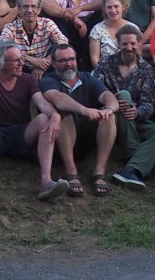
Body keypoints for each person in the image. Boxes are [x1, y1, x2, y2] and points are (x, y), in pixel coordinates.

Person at [0, 41, 70, 201]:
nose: (21, 63)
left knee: (45, 118)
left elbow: (41, 102)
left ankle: (46, 181)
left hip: (22, 134)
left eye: (21, 59)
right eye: (16, 60)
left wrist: (55, 116)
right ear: (1, 62)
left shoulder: (28, 79)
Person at [92, 25, 155, 190]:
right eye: (124, 44)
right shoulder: (105, 63)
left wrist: (137, 112)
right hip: (109, 118)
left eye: (133, 43)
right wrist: (111, 102)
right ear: (118, 44)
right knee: (124, 95)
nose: (129, 47)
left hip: (134, 121)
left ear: (139, 43)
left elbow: (148, 103)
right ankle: (134, 153)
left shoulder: (146, 69)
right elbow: (94, 90)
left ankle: (131, 168)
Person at [41, 45, 118, 197]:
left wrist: (109, 109)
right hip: (59, 140)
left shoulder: (87, 78)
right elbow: (57, 98)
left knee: (109, 117)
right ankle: (71, 172)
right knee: (65, 116)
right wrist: (84, 110)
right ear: (54, 63)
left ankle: (99, 173)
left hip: (85, 137)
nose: (68, 64)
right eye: (63, 60)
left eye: (71, 59)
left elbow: (108, 96)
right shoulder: (48, 80)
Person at [42, 0, 102, 69]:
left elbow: (104, 1)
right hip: (67, 35)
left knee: (103, 13)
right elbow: (47, 4)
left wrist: (79, 9)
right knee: (53, 16)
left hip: (90, 36)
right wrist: (73, 18)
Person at [0, 0, 68, 80]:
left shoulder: (47, 23)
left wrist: (44, 64)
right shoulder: (10, 27)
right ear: (19, 10)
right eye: (25, 6)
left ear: (39, 10)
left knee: (58, 48)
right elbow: (0, 46)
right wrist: (31, 60)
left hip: (46, 70)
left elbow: (63, 42)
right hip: (20, 70)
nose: (29, 10)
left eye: (33, 6)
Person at [89, 0, 135, 66]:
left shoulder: (133, 28)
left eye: (116, 6)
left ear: (123, 7)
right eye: (109, 7)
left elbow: (137, 57)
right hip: (103, 71)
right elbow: (94, 60)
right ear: (104, 9)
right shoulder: (97, 30)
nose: (113, 10)